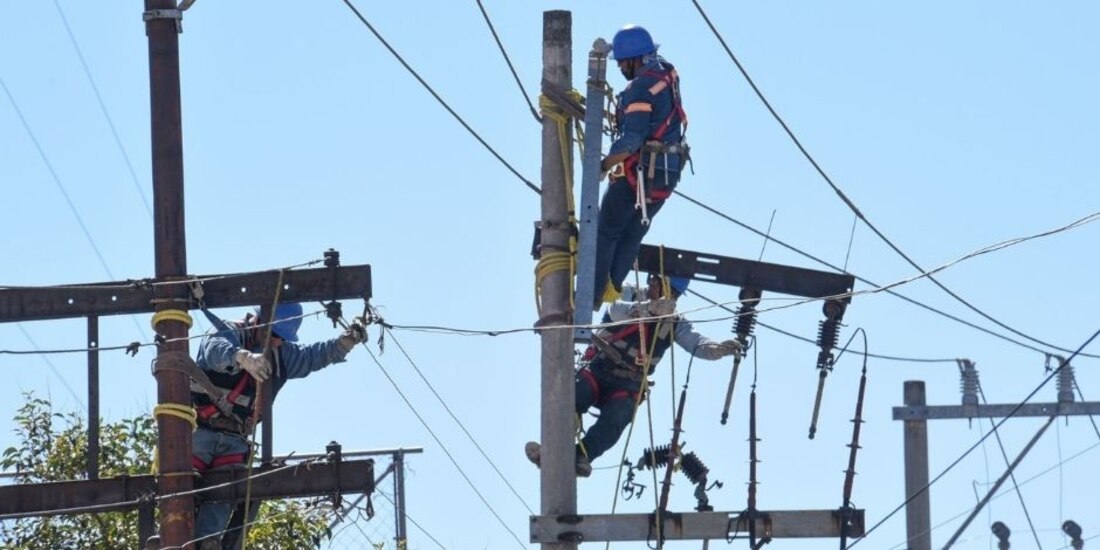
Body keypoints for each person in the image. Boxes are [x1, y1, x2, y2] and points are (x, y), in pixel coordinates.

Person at [189, 302, 365, 547]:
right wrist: (242, 357)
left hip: (235, 440)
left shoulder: (281, 354)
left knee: (222, 495)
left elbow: (312, 356)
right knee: (180, 491)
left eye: (282, 338)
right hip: (198, 432)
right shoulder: (230, 332)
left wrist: (345, 343)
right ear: (258, 321)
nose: (277, 341)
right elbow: (214, 349)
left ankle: (206, 543)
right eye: (274, 334)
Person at [527, 275, 739, 476]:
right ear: (654, 280)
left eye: (675, 294)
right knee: (575, 397)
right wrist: (646, 309)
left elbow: (697, 343)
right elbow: (614, 309)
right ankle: (552, 449)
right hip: (599, 368)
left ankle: (581, 457)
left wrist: (718, 349)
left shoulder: (675, 322)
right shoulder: (630, 293)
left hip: (627, 384)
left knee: (619, 416)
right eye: (668, 290)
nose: (671, 297)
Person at [593, 24, 689, 309]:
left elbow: (631, 140)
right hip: (666, 176)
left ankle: (592, 291)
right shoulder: (667, 73)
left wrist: (604, 165)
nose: (620, 67)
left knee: (606, 230)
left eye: (622, 62)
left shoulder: (641, 87)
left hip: (639, 174)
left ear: (635, 59)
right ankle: (609, 288)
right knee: (632, 234)